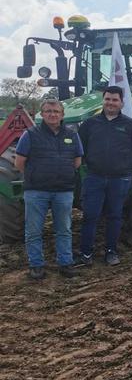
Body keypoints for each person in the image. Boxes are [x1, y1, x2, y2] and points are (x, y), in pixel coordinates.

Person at [77, 86, 132, 266]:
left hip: (119, 178)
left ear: (121, 102)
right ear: (103, 100)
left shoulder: (130, 126)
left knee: (115, 215)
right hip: (95, 177)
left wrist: (125, 168)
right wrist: (90, 164)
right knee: (90, 215)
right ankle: (86, 253)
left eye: (115, 100)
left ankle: (111, 251)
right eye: (108, 99)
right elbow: (79, 148)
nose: (111, 103)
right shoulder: (90, 124)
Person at [14, 99, 83, 279]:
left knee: (64, 229)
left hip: (63, 191)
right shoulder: (30, 134)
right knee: (34, 230)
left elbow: (77, 161)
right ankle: (36, 265)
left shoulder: (72, 135)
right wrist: (37, 175)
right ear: (42, 114)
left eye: (56, 111)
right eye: (48, 111)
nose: (52, 114)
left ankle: (65, 263)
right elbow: (19, 162)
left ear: (62, 115)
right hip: (36, 191)